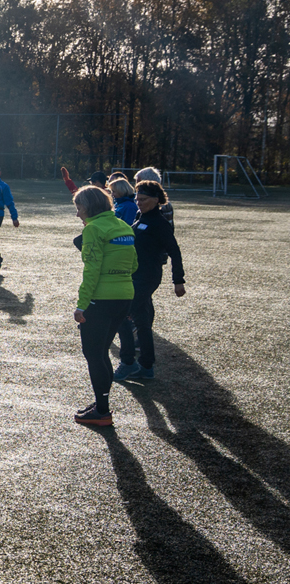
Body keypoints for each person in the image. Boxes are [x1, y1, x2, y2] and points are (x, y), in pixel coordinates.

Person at [69, 185, 137, 427]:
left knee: (94, 354)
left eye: (79, 208)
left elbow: (92, 271)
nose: (78, 214)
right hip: (125, 296)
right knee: (103, 352)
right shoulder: (124, 226)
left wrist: (81, 306)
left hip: (101, 299)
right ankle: (101, 406)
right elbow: (134, 265)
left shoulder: (94, 229)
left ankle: (103, 412)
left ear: (89, 207)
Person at [113, 180, 186, 382]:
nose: (138, 202)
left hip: (147, 278)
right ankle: (146, 365)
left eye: (143, 199)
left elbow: (175, 251)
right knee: (142, 321)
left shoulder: (159, 223)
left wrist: (178, 280)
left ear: (156, 200)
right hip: (134, 275)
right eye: (137, 198)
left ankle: (128, 362)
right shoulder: (139, 216)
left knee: (121, 315)